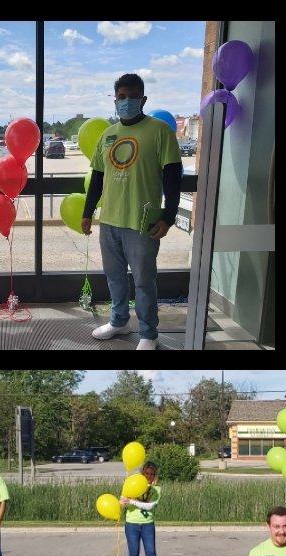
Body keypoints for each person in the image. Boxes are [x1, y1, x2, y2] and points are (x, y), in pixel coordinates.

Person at [82, 74, 183, 351]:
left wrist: (169, 217)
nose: (126, 101)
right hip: (110, 222)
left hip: (142, 224)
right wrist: (88, 212)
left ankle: (149, 333)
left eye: (131, 96)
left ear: (143, 99)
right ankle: (119, 321)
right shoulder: (108, 135)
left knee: (143, 281)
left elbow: (174, 177)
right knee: (114, 278)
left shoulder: (159, 131)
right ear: (115, 100)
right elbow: (99, 178)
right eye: (121, 97)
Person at [120, 460, 169, 556]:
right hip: (132, 524)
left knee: (151, 553)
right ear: (143, 473)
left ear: (155, 476)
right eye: (146, 473)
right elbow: (123, 501)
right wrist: (123, 501)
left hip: (147, 524)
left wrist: (131, 501)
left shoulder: (156, 489)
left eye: (152, 474)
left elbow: (149, 506)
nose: (149, 476)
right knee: (133, 553)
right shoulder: (133, 484)